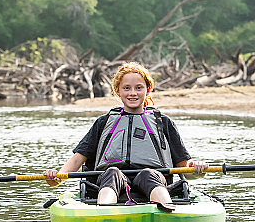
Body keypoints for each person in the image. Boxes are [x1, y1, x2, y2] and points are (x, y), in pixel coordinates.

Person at [44, 62, 207, 210]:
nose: (132, 93)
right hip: (111, 181)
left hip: (155, 179)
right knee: (112, 172)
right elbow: (78, 159)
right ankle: (105, 214)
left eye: (139, 88)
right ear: (118, 91)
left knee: (147, 174)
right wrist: (57, 177)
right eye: (126, 88)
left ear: (148, 89)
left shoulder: (163, 123)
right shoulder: (103, 122)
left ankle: (168, 211)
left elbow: (185, 170)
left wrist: (198, 170)